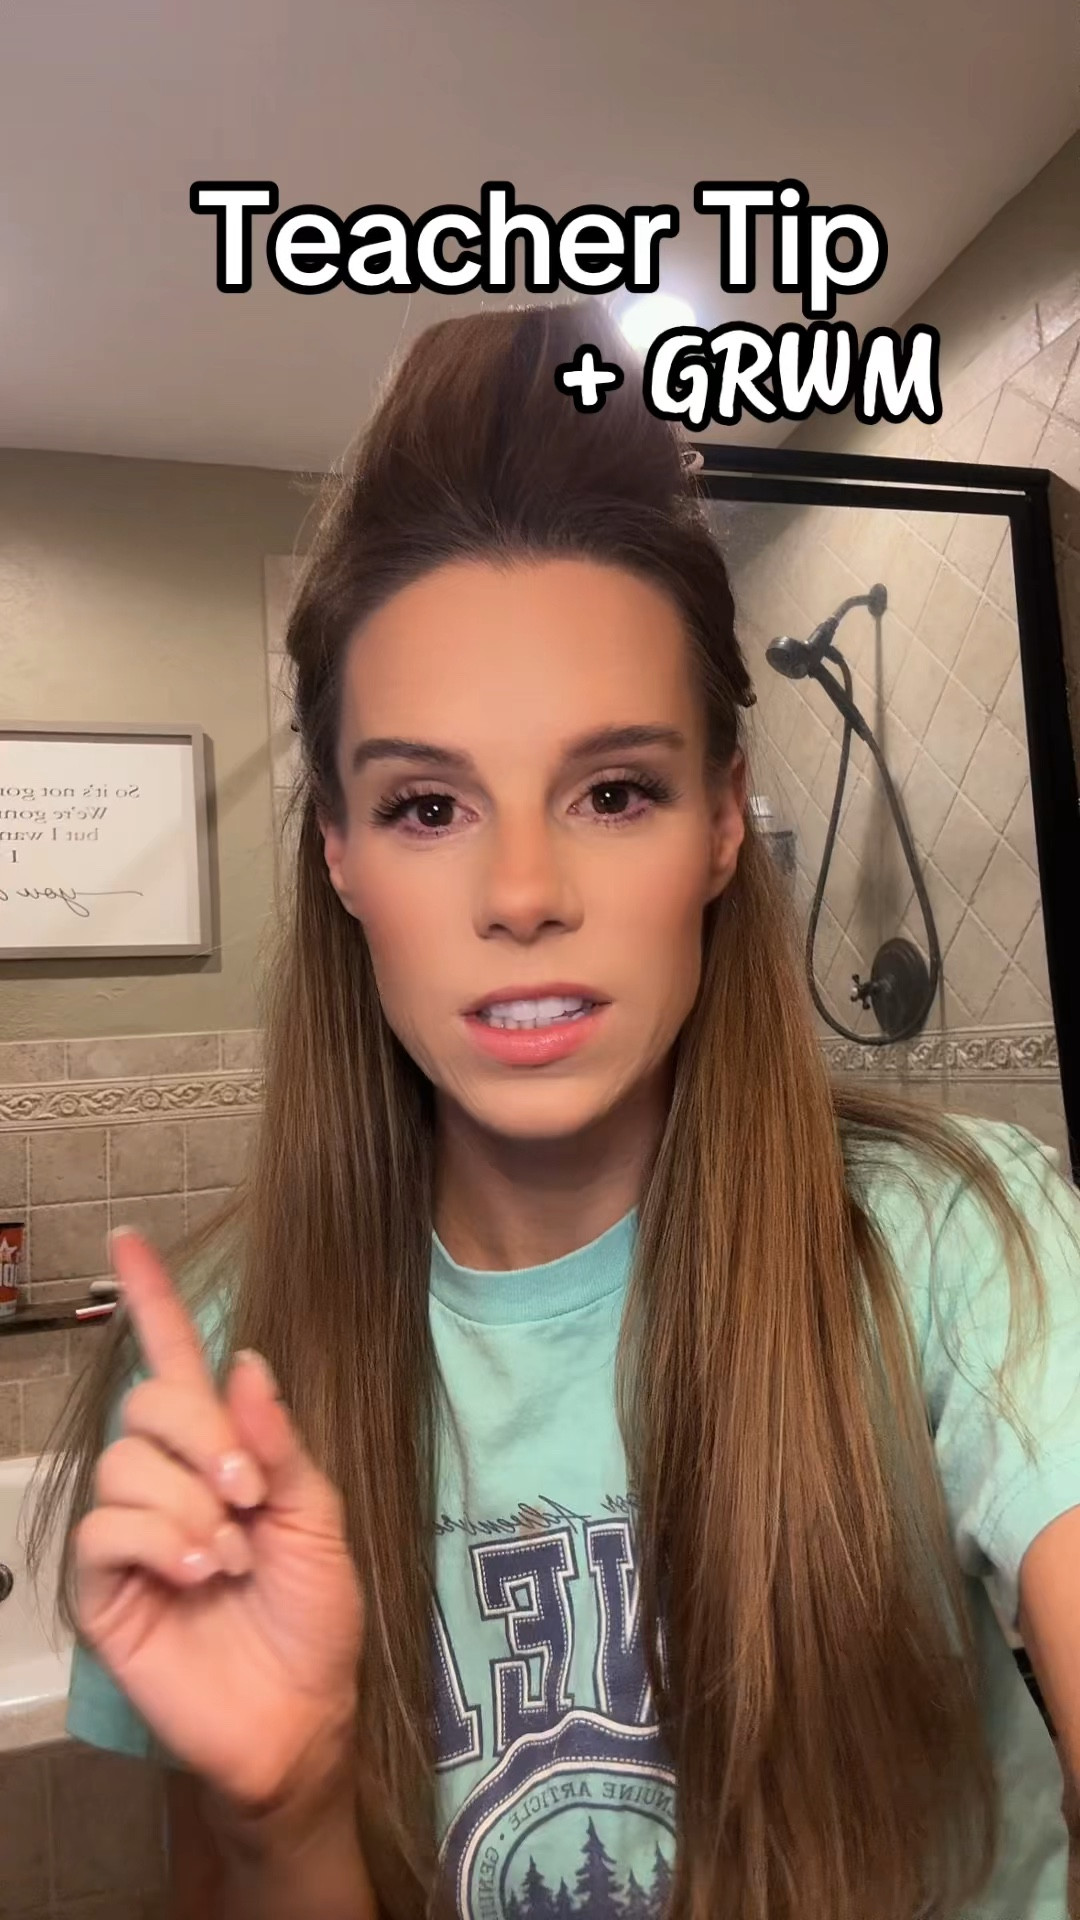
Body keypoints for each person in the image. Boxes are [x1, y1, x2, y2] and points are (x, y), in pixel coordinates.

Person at [28, 301, 1080, 1920]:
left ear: (722, 823)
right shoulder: (221, 1360)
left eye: (613, 790)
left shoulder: (964, 1246)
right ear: (338, 853)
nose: (524, 893)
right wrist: (286, 1816)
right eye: (428, 805)